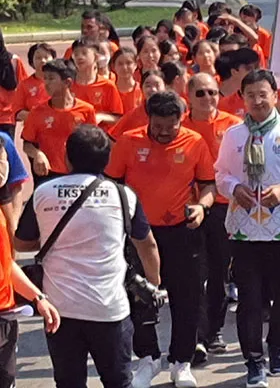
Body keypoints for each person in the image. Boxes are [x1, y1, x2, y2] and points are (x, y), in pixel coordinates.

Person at [15, 125, 162, 388]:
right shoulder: (123, 195)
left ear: (66, 156)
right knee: (118, 381)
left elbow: (22, 243)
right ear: (107, 159)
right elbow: (147, 245)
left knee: (69, 382)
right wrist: (154, 283)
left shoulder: (43, 192)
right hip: (109, 309)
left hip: (60, 309)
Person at [215, 70, 280, 387]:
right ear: (243, 98)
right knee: (249, 299)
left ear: (275, 95)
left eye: (264, 94)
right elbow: (220, 174)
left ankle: (276, 349)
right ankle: (253, 360)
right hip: (244, 232)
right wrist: (234, 188)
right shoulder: (233, 136)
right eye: (251, 95)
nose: (258, 101)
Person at [106, 91, 216, 388]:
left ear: (181, 118)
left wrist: (202, 207)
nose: (165, 132)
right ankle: (148, 359)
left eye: (172, 125)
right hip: (138, 234)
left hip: (182, 230)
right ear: (148, 119)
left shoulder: (194, 142)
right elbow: (112, 185)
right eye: (158, 126)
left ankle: (181, 362)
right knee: (140, 296)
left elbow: (208, 185)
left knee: (187, 298)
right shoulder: (128, 142)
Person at [182, 73, 241, 360]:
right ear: (188, 96)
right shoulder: (179, 127)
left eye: (213, 92)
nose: (208, 98)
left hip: (224, 207)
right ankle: (196, 335)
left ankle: (214, 329)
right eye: (201, 93)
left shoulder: (234, 126)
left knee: (219, 271)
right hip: (190, 209)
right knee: (195, 273)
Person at [0, 138, 61, 388]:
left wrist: (38, 298)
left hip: (5, 319)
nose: (2, 167)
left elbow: (6, 265)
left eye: (2, 159)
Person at [22, 59, 97, 184]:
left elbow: (92, 143)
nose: (46, 83)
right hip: (48, 176)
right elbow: (27, 143)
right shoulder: (37, 112)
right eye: (45, 78)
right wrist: (37, 154)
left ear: (67, 82)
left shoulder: (86, 110)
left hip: (78, 174)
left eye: (51, 78)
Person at [11, 42, 54, 122]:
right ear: (31, 62)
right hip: (32, 130)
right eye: (38, 58)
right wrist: (38, 117)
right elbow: (17, 112)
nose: (43, 61)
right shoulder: (24, 85)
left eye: (46, 57)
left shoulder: (61, 81)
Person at [0, 30, 24, 138]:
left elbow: (25, 88)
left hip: (7, 120)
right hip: (8, 118)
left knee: (6, 153)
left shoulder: (13, 61)